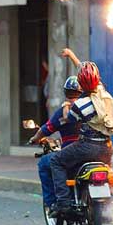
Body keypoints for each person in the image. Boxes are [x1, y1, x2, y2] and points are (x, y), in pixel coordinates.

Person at [49, 52, 113, 217]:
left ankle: (63, 204)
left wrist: (67, 105)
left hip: (86, 147)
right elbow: (84, 69)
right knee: (107, 171)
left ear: (80, 84)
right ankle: (108, 205)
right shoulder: (104, 94)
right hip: (107, 147)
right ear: (98, 79)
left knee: (56, 161)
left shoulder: (80, 105)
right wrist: (72, 55)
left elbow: (70, 119)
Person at [29, 76, 82, 209]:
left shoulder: (64, 111)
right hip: (95, 152)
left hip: (72, 153)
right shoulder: (90, 108)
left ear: (65, 92)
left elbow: (46, 129)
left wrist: (34, 139)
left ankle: (53, 203)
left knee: (45, 163)